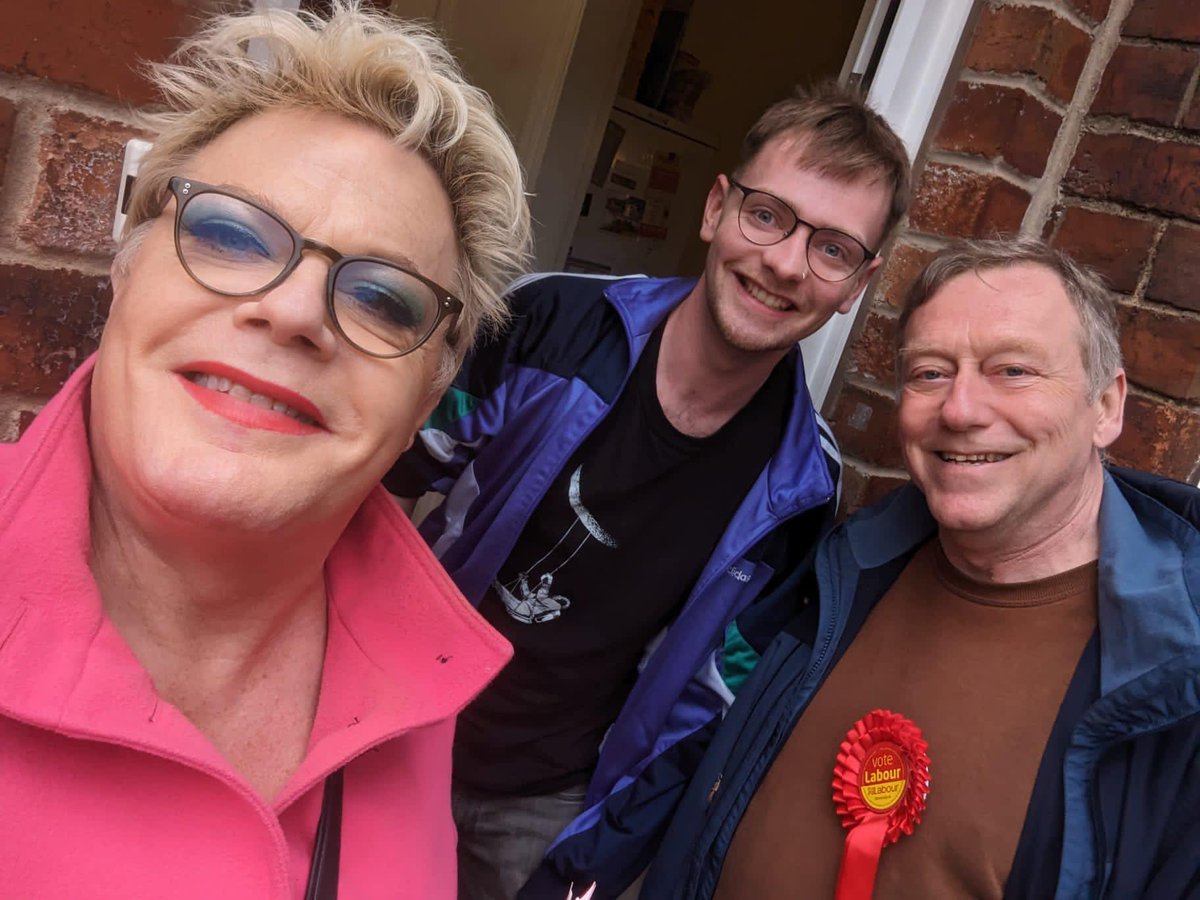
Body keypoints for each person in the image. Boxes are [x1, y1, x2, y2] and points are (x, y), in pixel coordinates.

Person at [0, 3, 530, 897]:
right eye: (232, 234)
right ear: (126, 270)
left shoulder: (426, 696)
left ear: (425, 400)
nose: (291, 312)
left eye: (384, 299)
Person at [385, 81, 912, 899]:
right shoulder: (550, 324)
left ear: (857, 285)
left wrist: (594, 857)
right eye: (768, 214)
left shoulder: (801, 487)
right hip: (396, 721)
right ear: (716, 208)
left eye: (833, 249)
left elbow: (709, 704)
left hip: (547, 805)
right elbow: (384, 480)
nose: (784, 262)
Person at [644, 237, 1200, 899]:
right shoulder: (849, 566)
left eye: (1012, 370)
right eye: (930, 373)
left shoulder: (1175, 676)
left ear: (1106, 406)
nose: (960, 410)